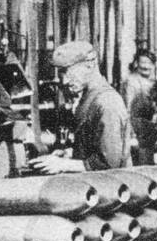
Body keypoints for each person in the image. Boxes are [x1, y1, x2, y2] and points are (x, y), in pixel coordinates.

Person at [30, 40, 131, 173]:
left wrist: (63, 165)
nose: (64, 80)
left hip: (111, 187)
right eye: (61, 72)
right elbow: (93, 147)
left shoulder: (107, 102)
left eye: (68, 71)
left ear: (90, 65)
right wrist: (70, 153)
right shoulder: (90, 98)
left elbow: (109, 163)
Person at [124, 50, 157, 163]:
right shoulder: (131, 81)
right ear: (136, 64)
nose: (146, 66)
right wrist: (131, 135)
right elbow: (127, 109)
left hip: (151, 129)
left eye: (149, 63)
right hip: (137, 129)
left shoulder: (153, 82)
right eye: (143, 62)